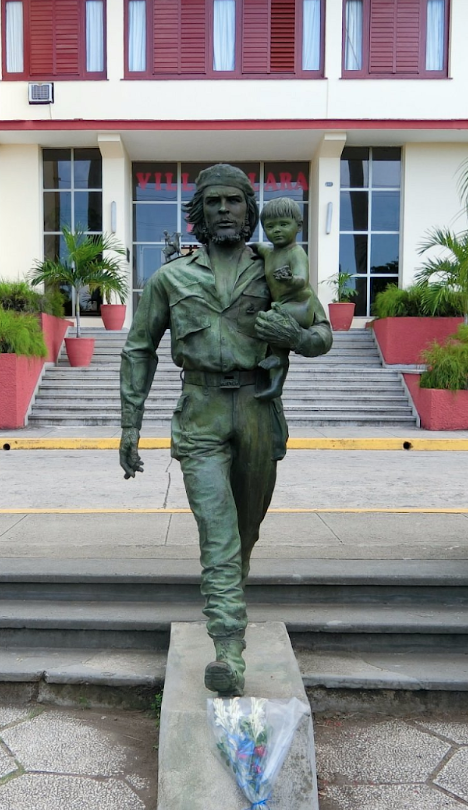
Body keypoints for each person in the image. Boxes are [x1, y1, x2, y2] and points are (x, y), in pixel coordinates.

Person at [118, 164, 333, 696]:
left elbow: (323, 333)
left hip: (259, 412)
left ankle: (229, 610)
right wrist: (130, 424)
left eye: (233, 202)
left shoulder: (279, 269)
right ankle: (229, 651)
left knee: (245, 533)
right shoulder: (171, 278)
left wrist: (293, 335)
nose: (223, 211)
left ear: (249, 210)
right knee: (218, 534)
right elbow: (138, 349)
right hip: (201, 412)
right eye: (212, 203)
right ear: (198, 214)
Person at [252, 197, 313, 401]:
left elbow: (303, 280)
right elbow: (257, 246)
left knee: (268, 320)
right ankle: (276, 376)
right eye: (270, 226)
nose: (277, 230)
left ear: (299, 226)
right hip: (282, 307)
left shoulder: (296, 252)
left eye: (284, 224)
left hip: (300, 306)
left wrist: (290, 280)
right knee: (269, 323)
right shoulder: (269, 253)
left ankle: (278, 359)